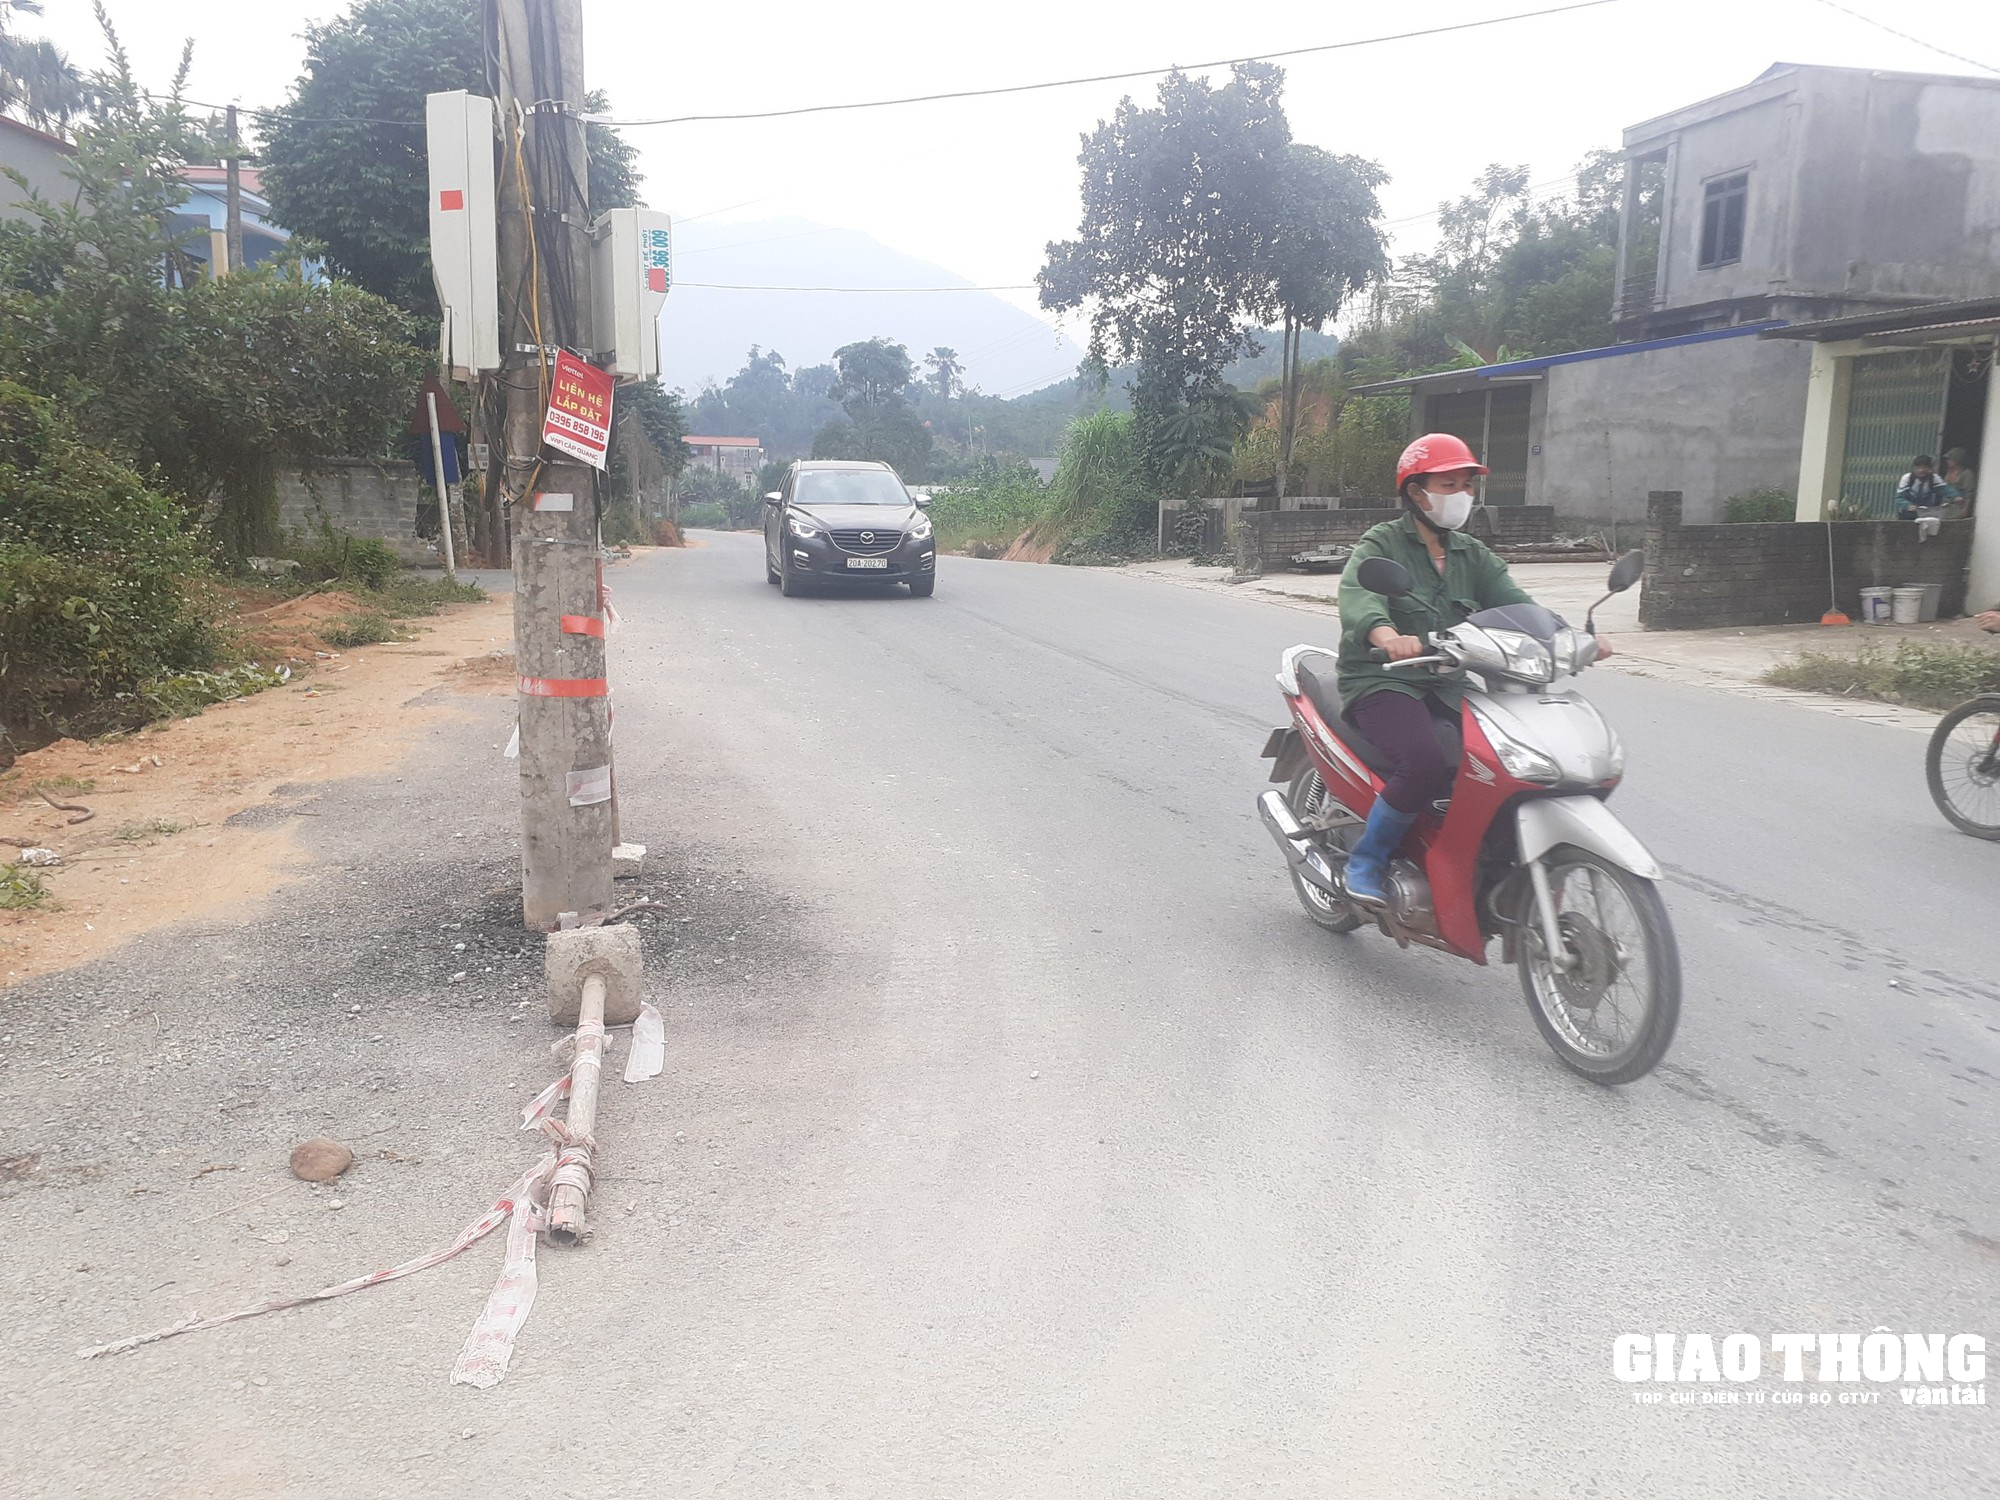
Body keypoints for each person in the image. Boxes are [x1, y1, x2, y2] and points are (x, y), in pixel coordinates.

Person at [1334, 433, 1611, 908]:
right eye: (1449, 484)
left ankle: (1478, 859)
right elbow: (1360, 597)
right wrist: (1386, 636)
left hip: (1447, 682)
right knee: (1423, 760)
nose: (1461, 494)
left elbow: (1517, 604)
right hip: (1384, 680)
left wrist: (1568, 638)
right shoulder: (1381, 543)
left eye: (1466, 484)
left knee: (1502, 761)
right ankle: (1368, 860)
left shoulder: (1471, 554)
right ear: (1416, 492)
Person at [1895, 456, 1959, 519]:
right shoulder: (1907, 478)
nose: (1922, 470)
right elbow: (1899, 497)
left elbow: (1945, 489)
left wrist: (1955, 496)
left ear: (1930, 468)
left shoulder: (1934, 478)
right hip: (1909, 513)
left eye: (1925, 467)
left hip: (1928, 513)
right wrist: (1907, 506)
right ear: (1914, 468)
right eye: (1918, 467)